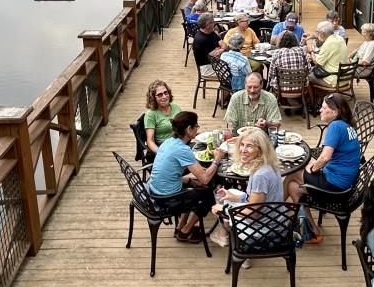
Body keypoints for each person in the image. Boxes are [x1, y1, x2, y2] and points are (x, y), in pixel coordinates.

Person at [287, 94, 362, 243]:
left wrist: (313, 168)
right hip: (346, 184)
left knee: (292, 174)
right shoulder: (347, 126)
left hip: (335, 186)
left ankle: (271, 214)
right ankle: (312, 231)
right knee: (293, 187)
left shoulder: (335, 126)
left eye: (324, 107)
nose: (320, 109)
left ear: (335, 111)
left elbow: (325, 157)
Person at [148, 111, 227, 242]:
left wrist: (190, 181)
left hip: (155, 190)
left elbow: (169, 174)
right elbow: (205, 178)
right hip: (167, 199)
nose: (198, 128)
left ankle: (180, 226)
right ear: (189, 129)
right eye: (196, 126)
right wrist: (217, 159)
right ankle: (186, 230)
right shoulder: (183, 150)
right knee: (210, 194)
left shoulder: (169, 142)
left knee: (196, 185)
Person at [208, 128, 284, 259]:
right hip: (275, 218)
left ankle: (243, 251)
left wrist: (224, 210)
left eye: (249, 146)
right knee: (230, 193)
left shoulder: (260, 175)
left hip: (264, 229)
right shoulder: (269, 165)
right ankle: (229, 235)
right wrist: (236, 197)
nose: (243, 150)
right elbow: (260, 200)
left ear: (260, 150)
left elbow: (252, 213)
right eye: (242, 145)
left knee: (222, 206)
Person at [142, 80, 183, 157]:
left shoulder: (176, 107)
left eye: (165, 93)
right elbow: (150, 141)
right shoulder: (150, 114)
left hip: (180, 143)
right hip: (166, 149)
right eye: (160, 95)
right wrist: (160, 153)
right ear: (153, 98)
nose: (164, 96)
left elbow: (184, 126)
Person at [192, 13, 222, 78]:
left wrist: (220, 49)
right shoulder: (200, 39)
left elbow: (222, 44)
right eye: (213, 22)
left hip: (215, 63)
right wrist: (221, 49)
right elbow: (215, 56)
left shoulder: (211, 32)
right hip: (207, 68)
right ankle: (224, 88)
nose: (215, 24)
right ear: (207, 25)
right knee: (234, 74)